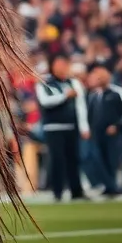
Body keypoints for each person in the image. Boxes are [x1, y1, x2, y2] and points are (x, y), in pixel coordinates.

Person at [34, 54, 89, 201]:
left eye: (64, 64)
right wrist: (65, 96)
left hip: (71, 126)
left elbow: (81, 106)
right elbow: (45, 101)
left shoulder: (74, 83)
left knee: (74, 159)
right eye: (58, 64)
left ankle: (76, 191)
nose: (62, 67)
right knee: (57, 159)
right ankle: (57, 192)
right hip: (53, 127)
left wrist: (84, 126)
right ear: (52, 66)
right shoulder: (44, 83)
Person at [85, 65, 122, 196]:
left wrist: (116, 125)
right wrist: (89, 128)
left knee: (112, 159)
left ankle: (113, 186)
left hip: (112, 134)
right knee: (98, 159)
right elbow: (90, 114)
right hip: (97, 133)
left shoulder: (116, 94)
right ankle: (109, 185)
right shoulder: (93, 96)